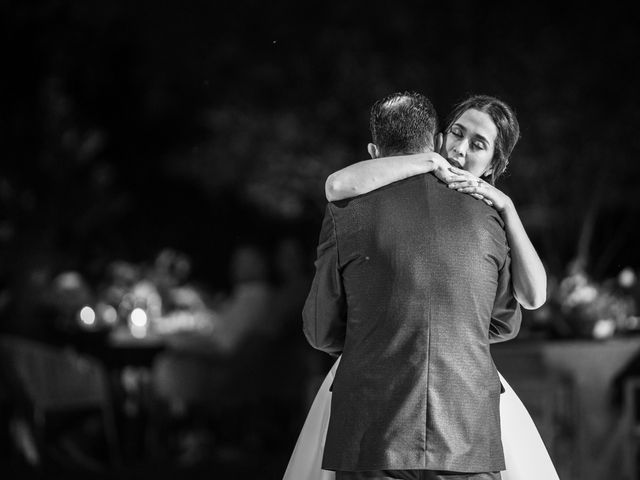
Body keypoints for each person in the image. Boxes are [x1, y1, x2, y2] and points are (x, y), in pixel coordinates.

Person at [285, 94, 559, 480]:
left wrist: (371, 337)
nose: (460, 151)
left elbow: (319, 327)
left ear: (496, 163)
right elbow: (503, 324)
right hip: (468, 426)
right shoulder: (489, 223)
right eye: (456, 135)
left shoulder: (351, 208)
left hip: (373, 427)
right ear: (437, 139)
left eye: (477, 144)